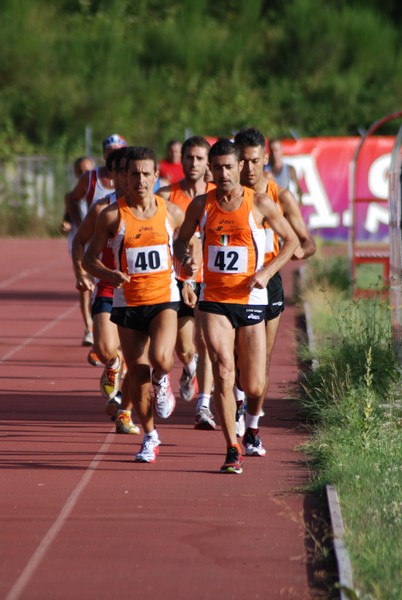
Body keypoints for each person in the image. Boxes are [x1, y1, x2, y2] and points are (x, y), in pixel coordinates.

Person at [174, 139, 298, 474]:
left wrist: (267, 272)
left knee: (254, 383)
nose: (225, 173)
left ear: (240, 168)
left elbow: (292, 241)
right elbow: (180, 238)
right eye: (219, 168)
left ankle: (246, 409)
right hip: (214, 300)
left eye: (230, 166)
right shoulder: (201, 205)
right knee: (224, 369)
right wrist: (184, 266)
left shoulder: (260, 203)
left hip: (251, 298)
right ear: (211, 172)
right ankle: (232, 448)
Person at [82, 146, 188, 463]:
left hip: (164, 297)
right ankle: (150, 437)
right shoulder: (112, 215)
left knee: (161, 359)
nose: (140, 180)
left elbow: (188, 242)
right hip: (127, 303)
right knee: (138, 375)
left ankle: (163, 380)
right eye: (134, 174)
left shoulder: (170, 212)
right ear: (124, 178)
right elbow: (89, 258)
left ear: (156, 176)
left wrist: (190, 271)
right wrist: (107, 273)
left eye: (146, 174)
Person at [234, 127, 316, 451]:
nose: (247, 168)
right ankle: (237, 400)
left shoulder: (281, 196)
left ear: (265, 158)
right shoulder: (225, 196)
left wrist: (297, 251)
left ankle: (253, 428)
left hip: (268, 281)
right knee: (233, 360)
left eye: (254, 160)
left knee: (260, 362)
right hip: (229, 283)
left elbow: (308, 242)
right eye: (242, 161)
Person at [72, 147, 140, 435]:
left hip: (142, 291)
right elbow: (79, 242)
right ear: (113, 175)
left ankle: (126, 413)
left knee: (143, 361)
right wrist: (82, 273)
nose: (129, 178)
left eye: (134, 172)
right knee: (103, 348)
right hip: (109, 286)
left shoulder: (152, 207)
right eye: (122, 172)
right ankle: (113, 363)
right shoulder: (102, 208)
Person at [158, 136, 216, 430]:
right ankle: (190, 368)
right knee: (184, 347)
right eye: (189, 158)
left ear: (208, 163)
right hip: (179, 279)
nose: (193, 163)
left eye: (199, 158)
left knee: (205, 342)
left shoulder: (219, 195)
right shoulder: (167, 195)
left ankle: (203, 404)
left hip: (213, 280)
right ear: (181, 161)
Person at [65, 133, 127, 362]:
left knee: (152, 355)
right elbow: (71, 199)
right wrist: (78, 222)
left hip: (142, 283)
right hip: (101, 261)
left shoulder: (152, 199)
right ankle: (92, 329)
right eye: (110, 152)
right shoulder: (93, 185)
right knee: (104, 348)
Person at [60, 155, 96, 347]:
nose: (84, 174)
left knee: (99, 286)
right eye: (80, 171)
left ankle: (99, 323)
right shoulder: (72, 196)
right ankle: (89, 327)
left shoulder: (100, 190)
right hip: (79, 243)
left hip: (98, 242)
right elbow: (66, 218)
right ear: (75, 173)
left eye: (88, 170)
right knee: (84, 283)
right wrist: (65, 224)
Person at [265, 138, 303, 203]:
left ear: (281, 150)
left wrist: (297, 205)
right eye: (272, 150)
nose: (274, 153)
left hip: (286, 206)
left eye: (276, 150)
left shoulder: (290, 169)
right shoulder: (264, 169)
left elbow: (298, 191)